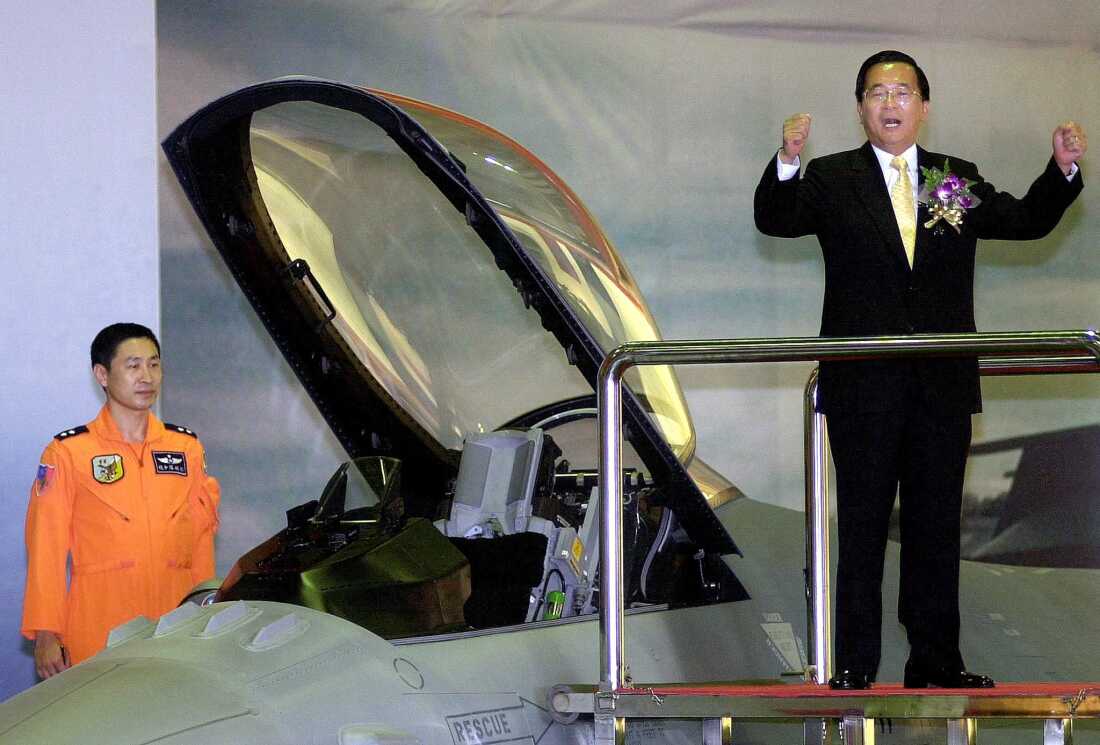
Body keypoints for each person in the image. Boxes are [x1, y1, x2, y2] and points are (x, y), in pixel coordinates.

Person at [754, 51, 1086, 690]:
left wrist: (1062, 171)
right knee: (863, 526)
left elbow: (1023, 220)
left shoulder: (947, 180)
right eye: (877, 92)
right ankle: (854, 662)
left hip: (940, 386)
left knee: (936, 528)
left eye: (902, 91)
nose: (890, 103)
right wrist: (788, 161)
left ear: (923, 108)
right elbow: (775, 216)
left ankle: (936, 662)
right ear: (860, 109)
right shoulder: (832, 176)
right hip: (863, 388)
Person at [22, 323, 221, 679]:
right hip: (99, 627)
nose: (146, 376)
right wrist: (46, 632)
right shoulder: (69, 452)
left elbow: (201, 538)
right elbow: (46, 547)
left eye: (154, 364)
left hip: (174, 624)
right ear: (102, 374)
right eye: (132, 366)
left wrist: (205, 612)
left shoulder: (185, 448)